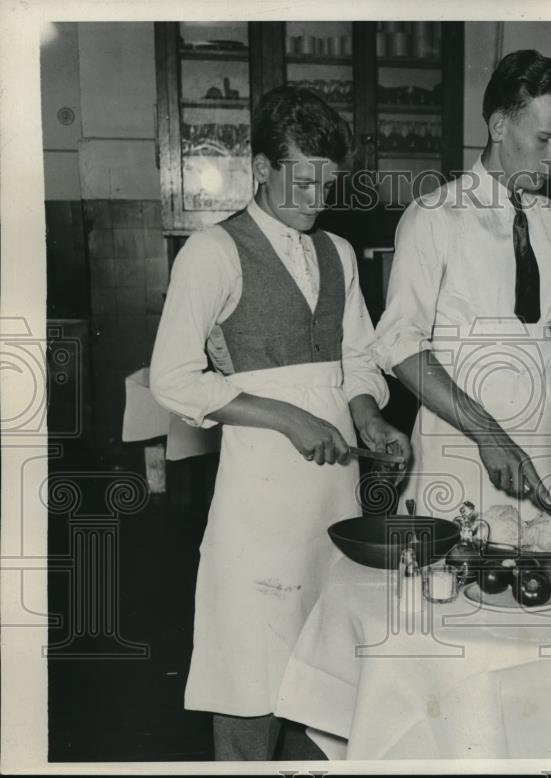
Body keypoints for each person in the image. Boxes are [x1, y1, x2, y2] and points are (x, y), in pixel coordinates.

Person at [149, 86, 411, 760]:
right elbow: (172, 378)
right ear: (262, 167)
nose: (318, 194)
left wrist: (367, 414)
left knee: (325, 676)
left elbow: (356, 357)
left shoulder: (340, 254)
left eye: (328, 180)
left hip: (334, 499)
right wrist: (284, 416)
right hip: (259, 504)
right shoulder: (213, 253)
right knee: (253, 677)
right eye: (303, 176)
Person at [373, 50, 551, 528]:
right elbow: (399, 343)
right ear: (500, 126)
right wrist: (488, 435)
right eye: (544, 139)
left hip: (546, 458)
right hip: (463, 457)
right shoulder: (434, 216)